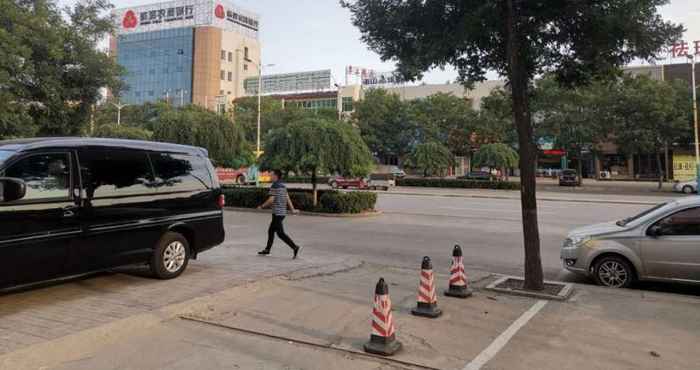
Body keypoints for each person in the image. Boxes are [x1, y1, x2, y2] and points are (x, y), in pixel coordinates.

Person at [257, 170, 302, 258]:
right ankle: (267, 249)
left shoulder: (275, 185)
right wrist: (292, 210)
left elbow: (271, 200)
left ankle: (294, 247)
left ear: (276, 176)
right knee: (271, 231)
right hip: (281, 213)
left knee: (280, 233)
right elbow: (287, 198)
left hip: (277, 213)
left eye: (271, 174)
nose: (270, 175)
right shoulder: (283, 186)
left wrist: (262, 206)